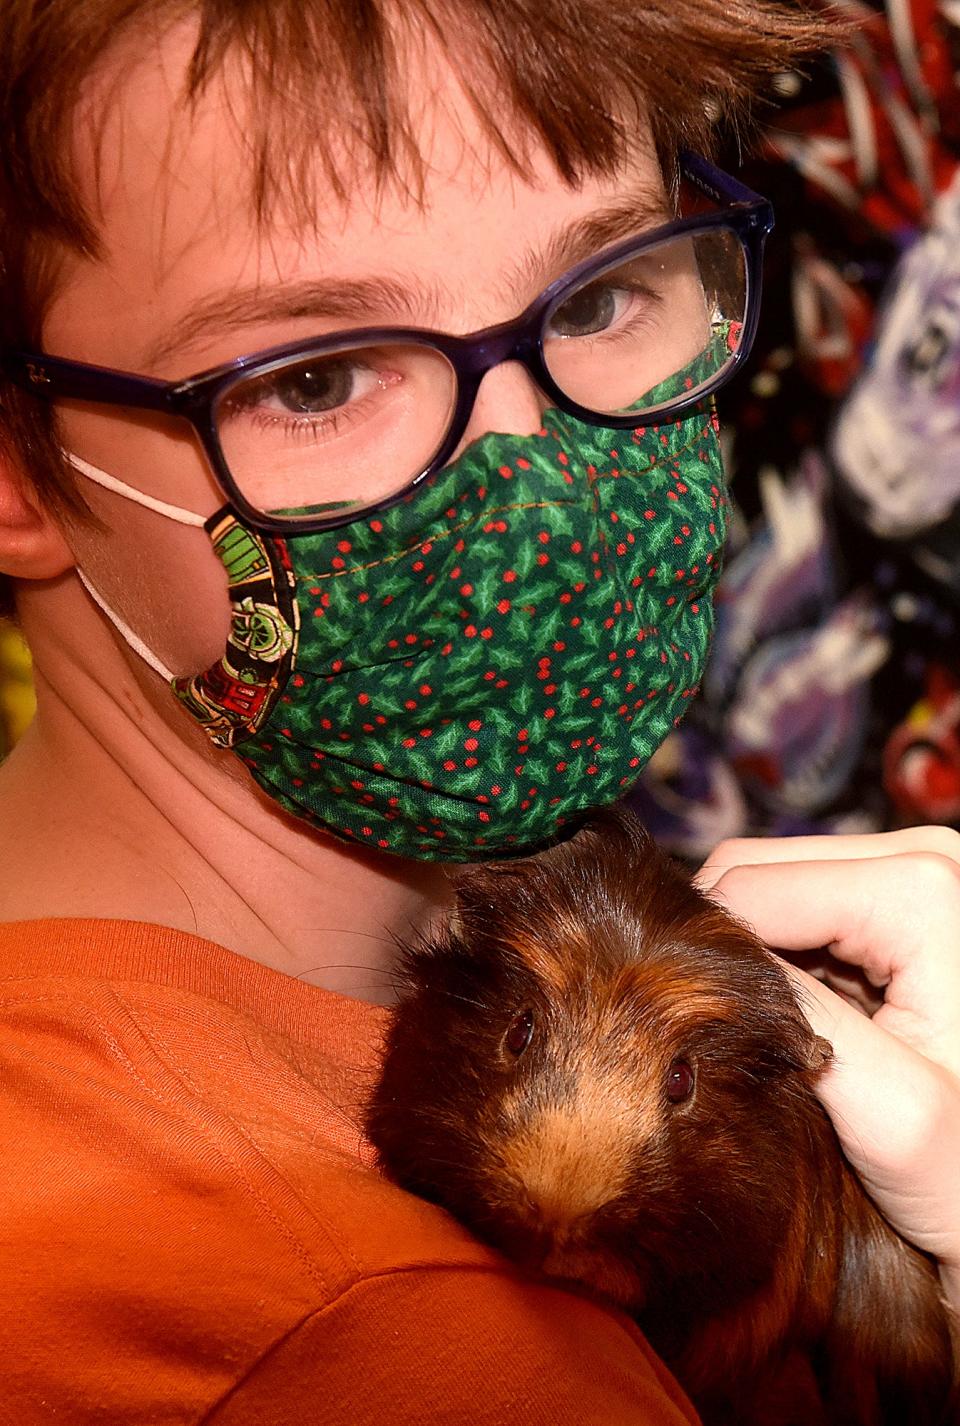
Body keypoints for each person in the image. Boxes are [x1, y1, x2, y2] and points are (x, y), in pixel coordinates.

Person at [0, 1, 954, 1421]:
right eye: (315, 378)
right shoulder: (401, 1344)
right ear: (21, 470)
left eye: (599, 296)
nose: (537, 498)